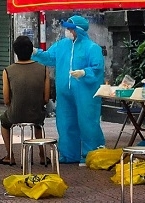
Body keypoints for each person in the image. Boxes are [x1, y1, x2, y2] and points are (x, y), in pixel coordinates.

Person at [32, 15, 105, 163]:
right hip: (64, 93)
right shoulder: (61, 45)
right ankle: (68, 154)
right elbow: (49, 58)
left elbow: (97, 69)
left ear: (78, 30)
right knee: (65, 123)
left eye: (70, 29)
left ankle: (91, 155)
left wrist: (84, 72)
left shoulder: (92, 48)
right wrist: (35, 52)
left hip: (86, 93)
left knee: (88, 123)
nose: (67, 31)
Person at [0, 36, 50, 165]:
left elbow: (6, 99)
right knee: (38, 123)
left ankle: (10, 155)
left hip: (15, 114)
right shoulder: (44, 69)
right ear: (31, 50)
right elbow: (46, 98)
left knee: (4, 121)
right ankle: (43, 155)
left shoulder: (7, 71)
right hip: (36, 114)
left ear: (15, 52)